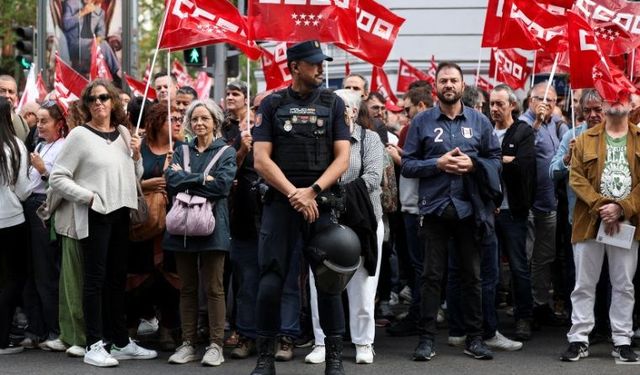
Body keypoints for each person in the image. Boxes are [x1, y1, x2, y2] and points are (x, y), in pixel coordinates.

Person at [250, 40, 351, 375]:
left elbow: (343, 157)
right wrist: (296, 193)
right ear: (294, 66)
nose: (321, 69)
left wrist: (313, 191)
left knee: (329, 281)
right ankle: (265, 358)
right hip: (282, 204)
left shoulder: (333, 103)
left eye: (322, 63)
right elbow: (261, 160)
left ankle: (334, 358)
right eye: (314, 63)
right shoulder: (273, 103)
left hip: (320, 204)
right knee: (270, 281)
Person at [48, 79, 157, 367]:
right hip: (95, 215)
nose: (98, 102)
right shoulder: (79, 136)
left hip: (122, 211)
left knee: (116, 279)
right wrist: (87, 197)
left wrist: (135, 154)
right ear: (86, 105)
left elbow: (135, 174)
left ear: (113, 102)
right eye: (93, 98)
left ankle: (119, 341)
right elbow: (58, 177)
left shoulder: (123, 132)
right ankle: (93, 343)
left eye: (104, 97)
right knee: (94, 280)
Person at [402, 62, 501, 361]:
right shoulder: (421, 122)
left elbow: (494, 159)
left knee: (472, 276)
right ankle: (427, 339)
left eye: (454, 80)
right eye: (443, 80)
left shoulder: (479, 121)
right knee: (432, 277)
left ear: (462, 85)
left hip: (469, 211)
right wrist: (437, 164)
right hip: (434, 211)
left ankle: (475, 338)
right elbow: (407, 164)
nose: (449, 85)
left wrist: (474, 164)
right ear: (435, 86)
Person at [305, 89, 384, 365]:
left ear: (351, 111)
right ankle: (321, 342)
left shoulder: (369, 138)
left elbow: (373, 177)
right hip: (326, 222)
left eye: (336, 109)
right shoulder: (319, 139)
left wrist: (334, 194)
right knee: (320, 284)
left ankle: (364, 343)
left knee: (362, 285)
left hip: (363, 221)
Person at [561, 96, 640, 362]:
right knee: (584, 283)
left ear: (632, 105)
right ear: (604, 105)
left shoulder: (639, 137)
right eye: (611, 97)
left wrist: (622, 208)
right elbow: (576, 177)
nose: (617, 102)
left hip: (626, 224)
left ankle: (622, 339)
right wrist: (602, 206)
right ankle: (579, 338)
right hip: (589, 222)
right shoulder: (584, 138)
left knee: (623, 284)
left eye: (623, 96)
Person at [164, 99, 237, 367]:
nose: (199, 123)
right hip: (182, 226)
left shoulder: (226, 152)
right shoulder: (181, 149)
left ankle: (215, 344)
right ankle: (188, 343)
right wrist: (200, 179)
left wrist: (187, 178)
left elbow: (222, 187)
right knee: (187, 288)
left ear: (215, 122)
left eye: (204, 118)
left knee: (214, 288)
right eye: (194, 119)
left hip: (213, 226)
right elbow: (170, 182)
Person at [125, 102, 181, 351]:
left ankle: (168, 329)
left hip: (174, 223)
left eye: (180, 118)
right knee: (138, 278)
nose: (178, 122)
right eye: (172, 118)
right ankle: (131, 326)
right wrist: (146, 185)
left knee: (171, 279)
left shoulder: (183, 149)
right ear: (158, 121)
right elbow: (125, 178)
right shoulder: (139, 148)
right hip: (143, 223)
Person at [519, 82, 569, 327]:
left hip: (548, 204)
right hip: (526, 205)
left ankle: (539, 304)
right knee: (526, 257)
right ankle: (524, 310)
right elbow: (521, 151)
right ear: (531, 100)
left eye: (552, 101)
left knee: (544, 257)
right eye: (542, 99)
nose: (547, 104)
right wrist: (536, 123)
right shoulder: (523, 123)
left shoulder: (554, 125)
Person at [490, 84, 536, 341]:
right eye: (492, 104)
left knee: (519, 266)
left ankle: (524, 317)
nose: (495, 109)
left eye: (500, 104)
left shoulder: (522, 131)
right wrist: (506, 160)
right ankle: (490, 321)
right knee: (490, 269)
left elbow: (525, 165)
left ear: (512, 106)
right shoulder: (486, 130)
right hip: (489, 210)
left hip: (514, 210)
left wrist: (498, 161)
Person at [386, 86, 433, 337]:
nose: (404, 115)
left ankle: (420, 315)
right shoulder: (413, 128)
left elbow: (419, 166)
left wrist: (398, 158)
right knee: (417, 265)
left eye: (407, 109)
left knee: (420, 266)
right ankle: (421, 312)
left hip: (419, 207)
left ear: (421, 106)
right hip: (411, 205)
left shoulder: (415, 129)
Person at [21, 101, 68, 351]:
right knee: (31, 270)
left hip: (44, 209)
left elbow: (61, 183)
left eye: (44, 121)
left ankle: (53, 328)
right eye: (37, 121)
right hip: (29, 207)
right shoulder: (39, 144)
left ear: (59, 124)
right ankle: (35, 327)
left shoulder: (64, 147)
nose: (38, 126)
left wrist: (42, 171)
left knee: (45, 271)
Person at [0, 97, 30, 355]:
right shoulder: (15, 145)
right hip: (11, 219)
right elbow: (23, 189)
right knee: (13, 279)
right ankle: (3, 336)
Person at [0, 75, 29, 142]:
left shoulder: (22, 123)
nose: (7, 95)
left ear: (16, 97)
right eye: (2, 91)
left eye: (11, 92)